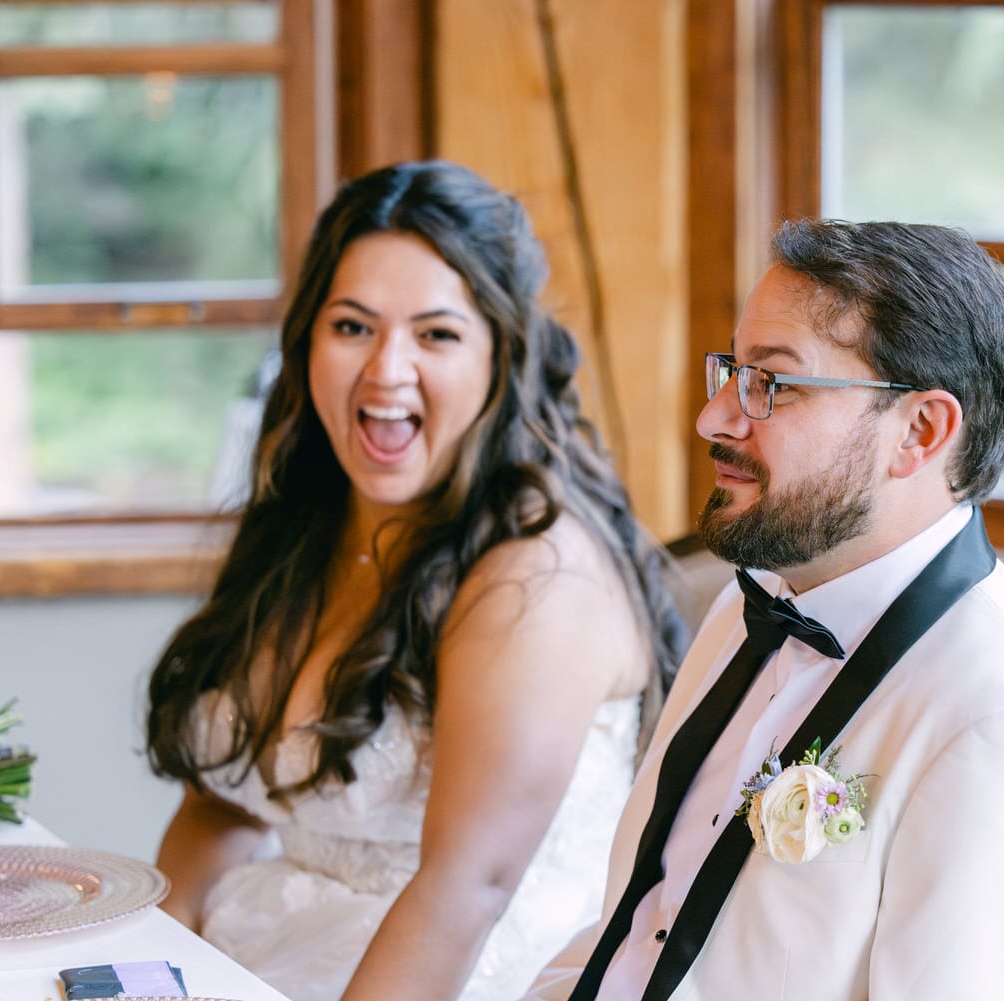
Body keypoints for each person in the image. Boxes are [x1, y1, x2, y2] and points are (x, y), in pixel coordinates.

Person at [522, 219, 1004, 1000]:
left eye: (771, 384)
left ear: (920, 431)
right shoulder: (747, 605)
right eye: (733, 371)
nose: (716, 417)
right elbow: (640, 927)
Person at [144, 160, 688, 1001]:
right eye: (353, 326)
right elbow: (223, 804)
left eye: (436, 334)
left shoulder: (534, 575)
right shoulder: (305, 525)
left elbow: (465, 893)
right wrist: (155, 964)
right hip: (267, 950)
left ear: (500, 358)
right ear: (306, 340)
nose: (386, 372)